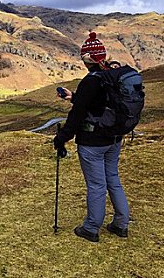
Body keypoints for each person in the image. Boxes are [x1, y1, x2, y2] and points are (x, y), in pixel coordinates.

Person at [53, 32, 130, 243]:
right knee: (112, 179)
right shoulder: (112, 76)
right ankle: (121, 224)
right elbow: (98, 105)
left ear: (87, 59)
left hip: (93, 142)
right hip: (114, 137)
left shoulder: (91, 81)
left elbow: (78, 114)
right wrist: (74, 98)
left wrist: (62, 138)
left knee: (96, 184)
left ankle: (91, 228)